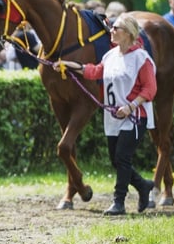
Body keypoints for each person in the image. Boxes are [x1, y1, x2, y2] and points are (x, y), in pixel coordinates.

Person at [53, 13, 156, 215]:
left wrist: (131, 106)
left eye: (116, 28)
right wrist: (69, 65)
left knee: (122, 157)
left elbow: (150, 89)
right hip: (113, 117)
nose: (112, 30)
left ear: (128, 33)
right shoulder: (111, 56)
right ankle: (143, 185)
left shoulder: (141, 58)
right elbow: (94, 71)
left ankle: (119, 202)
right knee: (116, 159)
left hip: (135, 116)